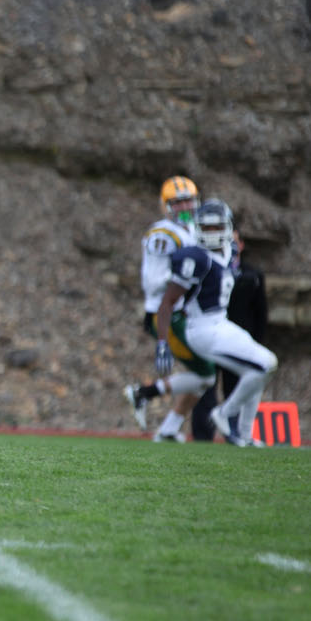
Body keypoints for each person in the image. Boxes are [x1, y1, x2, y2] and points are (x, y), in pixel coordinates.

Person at [154, 199, 279, 447]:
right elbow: (167, 302)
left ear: (227, 228)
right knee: (265, 364)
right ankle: (224, 413)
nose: (211, 233)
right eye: (206, 228)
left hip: (221, 324)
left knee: (257, 372)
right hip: (202, 329)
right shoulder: (195, 258)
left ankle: (244, 434)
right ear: (197, 229)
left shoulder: (229, 251)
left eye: (216, 227)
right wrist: (162, 343)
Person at [122, 175, 216, 442]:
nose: (186, 207)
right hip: (165, 314)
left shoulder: (192, 231)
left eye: (189, 200)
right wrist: (186, 278)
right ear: (166, 206)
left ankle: (167, 428)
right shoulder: (162, 234)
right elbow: (152, 283)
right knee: (206, 375)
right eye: (179, 202)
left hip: (185, 313)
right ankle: (145, 394)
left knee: (205, 375)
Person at [193, 230, 268, 441]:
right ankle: (202, 436)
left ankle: (234, 433)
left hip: (237, 339)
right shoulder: (208, 269)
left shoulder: (252, 275)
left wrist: (256, 342)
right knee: (205, 386)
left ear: (241, 245)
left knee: (236, 386)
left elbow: (260, 313)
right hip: (212, 337)